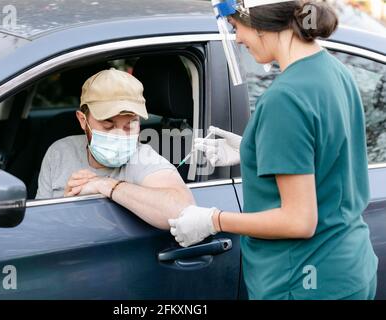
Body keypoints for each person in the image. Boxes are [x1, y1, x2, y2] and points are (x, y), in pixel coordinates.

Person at [169, 0, 378, 300]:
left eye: (235, 27)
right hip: (348, 267)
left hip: (307, 281)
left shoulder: (285, 98)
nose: (238, 39)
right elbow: (324, 154)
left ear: (260, 21)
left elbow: (299, 221)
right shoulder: (332, 70)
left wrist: (212, 219)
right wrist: (252, 150)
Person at [36, 68, 195, 230]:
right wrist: (67, 205)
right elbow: (39, 224)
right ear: (83, 120)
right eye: (108, 124)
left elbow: (183, 211)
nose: (120, 135)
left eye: (130, 125)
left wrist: (106, 185)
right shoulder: (60, 152)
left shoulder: (143, 158)